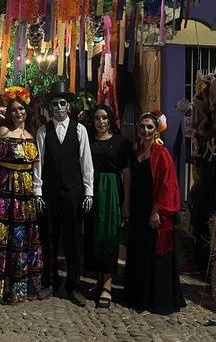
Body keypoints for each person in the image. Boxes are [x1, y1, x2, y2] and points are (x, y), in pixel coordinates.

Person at [0, 87, 43, 303]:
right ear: (8, 112)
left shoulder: (31, 135)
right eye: (13, 110)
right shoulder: (3, 132)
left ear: (26, 110)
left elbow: (35, 168)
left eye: (21, 109)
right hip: (5, 191)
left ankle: (20, 287)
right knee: (2, 236)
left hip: (25, 193)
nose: (17, 113)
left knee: (22, 237)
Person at [34, 81, 94, 307]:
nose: (58, 107)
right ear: (50, 107)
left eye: (62, 103)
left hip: (73, 192)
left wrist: (88, 191)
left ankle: (73, 285)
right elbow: (38, 162)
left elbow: (85, 162)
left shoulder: (80, 130)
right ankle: (50, 281)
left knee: (73, 239)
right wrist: (37, 191)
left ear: (68, 106)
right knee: (49, 237)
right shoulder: (42, 131)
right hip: (49, 192)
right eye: (54, 104)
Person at [123, 111, 185, 314]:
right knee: (139, 252)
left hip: (154, 209)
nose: (145, 130)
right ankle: (138, 295)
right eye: (142, 127)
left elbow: (167, 184)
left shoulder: (162, 153)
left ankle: (156, 298)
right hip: (138, 209)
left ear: (156, 129)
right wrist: (128, 205)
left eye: (150, 127)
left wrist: (157, 210)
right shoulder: (136, 151)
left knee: (155, 254)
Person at [83, 104, 131, 308]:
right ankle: (99, 280)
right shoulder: (88, 140)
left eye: (104, 118)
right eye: (96, 118)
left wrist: (127, 200)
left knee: (110, 237)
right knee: (94, 236)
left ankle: (108, 285)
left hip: (111, 190)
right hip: (92, 189)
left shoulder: (120, 142)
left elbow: (126, 172)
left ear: (110, 120)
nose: (100, 122)